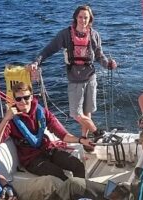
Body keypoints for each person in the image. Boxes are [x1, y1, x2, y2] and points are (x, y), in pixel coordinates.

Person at [29, 5, 117, 147]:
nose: (83, 20)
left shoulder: (94, 35)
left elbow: (100, 55)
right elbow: (49, 49)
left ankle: (86, 141)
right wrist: (36, 62)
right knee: (76, 114)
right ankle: (97, 132)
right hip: (75, 79)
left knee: (87, 112)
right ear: (76, 17)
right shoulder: (65, 34)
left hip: (91, 77)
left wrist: (108, 64)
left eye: (86, 18)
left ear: (90, 20)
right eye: (80, 17)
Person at [0, 82, 93, 181]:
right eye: (18, 99)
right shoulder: (11, 120)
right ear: (14, 100)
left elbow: (62, 134)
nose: (23, 101)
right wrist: (5, 119)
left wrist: (81, 140)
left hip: (49, 150)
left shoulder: (42, 112)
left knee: (77, 165)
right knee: (59, 176)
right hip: (31, 159)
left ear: (31, 97)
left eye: (26, 97)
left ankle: (81, 196)